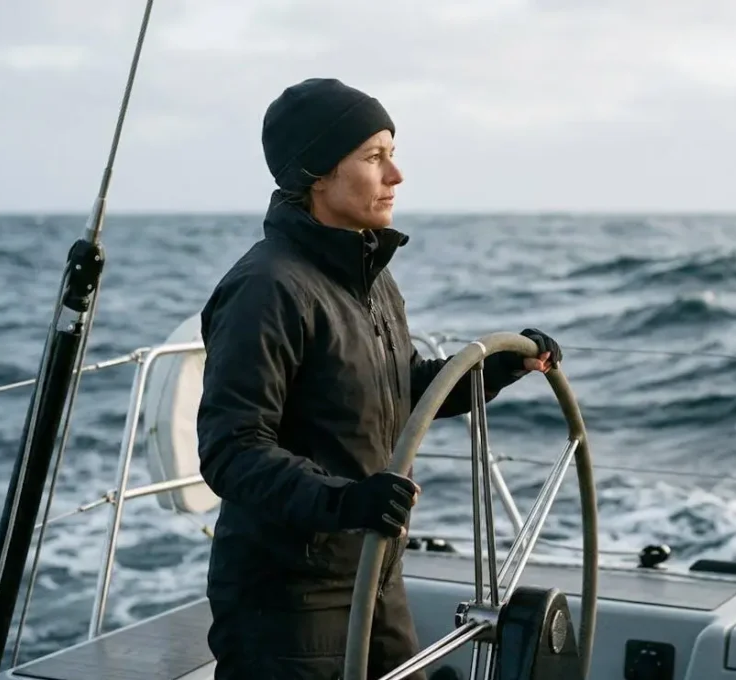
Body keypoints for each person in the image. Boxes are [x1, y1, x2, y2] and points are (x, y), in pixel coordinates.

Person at [194, 77, 563, 680]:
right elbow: (231, 451)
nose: (396, 175)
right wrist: (346, 501)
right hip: (290, 600)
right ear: (317, 174)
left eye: (392, 153)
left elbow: (391, 392)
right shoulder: (267, 288)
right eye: (374, 157)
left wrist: (486, 371)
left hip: (373, 574)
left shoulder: (367, 273)